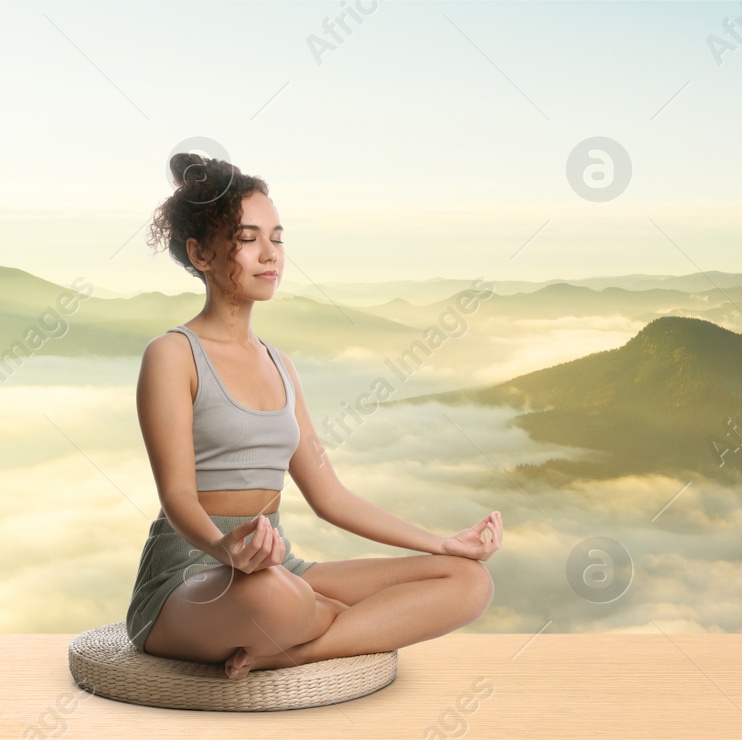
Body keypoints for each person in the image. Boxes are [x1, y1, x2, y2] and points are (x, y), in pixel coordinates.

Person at [126, 152, 502, 680]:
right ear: (201, 254)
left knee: (468, 581)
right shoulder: (172, 354)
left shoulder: (281, 364)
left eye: (277, 238)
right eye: (248, 237)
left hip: (275, 568)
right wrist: (224, 549)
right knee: (283, 600)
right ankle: (330, 625)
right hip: (190, 575)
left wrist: (443, 542)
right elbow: (178, 497)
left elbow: (331, 497)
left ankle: (294, 652)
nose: (270, 254)